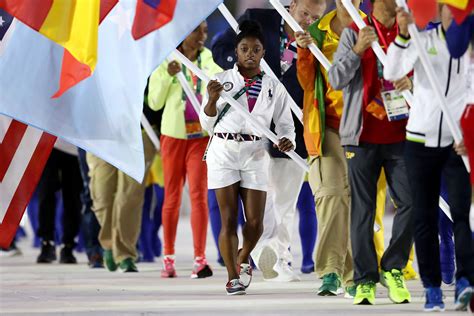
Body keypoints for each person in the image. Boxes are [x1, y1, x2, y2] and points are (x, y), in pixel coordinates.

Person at [211, 0, 325, 282]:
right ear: (293, 5)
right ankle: (264, 252)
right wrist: (247, 65)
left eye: (315, 16)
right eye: (304, 13)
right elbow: (219, 49)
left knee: (286, 201)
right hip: (252, 128)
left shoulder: (319, 35)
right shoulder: (258, 18)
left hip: (293, 129)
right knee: (262, 200)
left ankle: (280, 258)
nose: (308, 20)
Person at [384, 5, 474, 311]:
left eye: (459, 11)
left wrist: (470, 136)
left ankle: (465, 281)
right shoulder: (424, 39)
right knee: (423, 217)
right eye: (448, 10)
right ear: (440, 10)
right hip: (420, 141)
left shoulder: (469, 45)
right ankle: (432, 287)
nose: (453, 15)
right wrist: (404, 35)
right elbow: (392, 72)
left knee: (462, 214)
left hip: (456, 144)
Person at [200, 20, 295, 295]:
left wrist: (289, 139)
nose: (250, 54)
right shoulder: (221, 81)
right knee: (228, 220)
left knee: (255, 223)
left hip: (255, 153)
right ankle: (233, 277)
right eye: (244, 49)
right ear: (237, 51)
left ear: (263, 52)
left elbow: (285, 123)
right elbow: (208, 125)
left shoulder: (273, 86)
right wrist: (210, 101)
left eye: (255, 49)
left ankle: (242, 258)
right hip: (224, 152)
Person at [328, 0, 414, 305]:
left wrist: (412, 82)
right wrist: (356, 51)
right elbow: (335, 79)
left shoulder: (409, 32)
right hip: (361, 136)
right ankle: (365, 280)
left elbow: (428, 78)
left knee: (412, 204)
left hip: (403, 135)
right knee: (363, 211)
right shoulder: (355, 32)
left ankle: (393, 267)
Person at [296, 0, 365, 297]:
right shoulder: (316, 32)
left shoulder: (371, 28)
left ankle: (356, 274)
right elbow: (307, 82)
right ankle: (330, 271)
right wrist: (303, 52)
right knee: (330, 195)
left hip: (364, 127)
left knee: (357, 202)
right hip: (328, 127)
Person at [148, 21, 222, 279]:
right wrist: (167, 75)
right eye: (197, 30)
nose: (203, 35)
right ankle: (168, 258)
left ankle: (199, 259)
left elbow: (218, 84)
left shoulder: (208, 58)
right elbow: (154, 102)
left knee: (199, 196)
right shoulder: (167, 59)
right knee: (171, 197)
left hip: (200, 138)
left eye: (205, 30)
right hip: (173, 137)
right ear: (183, 32)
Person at [87, 133, 155, 272]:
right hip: (101, 134)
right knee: (102, 196)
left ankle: (125, 254)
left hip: (138, 132)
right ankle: (110, 244)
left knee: (129, 198)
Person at [36, 141, 83, 264]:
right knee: (45, 193)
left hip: (74, 145)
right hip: (48, 142)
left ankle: (68, 245)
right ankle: (46, 243)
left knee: (72, 197)